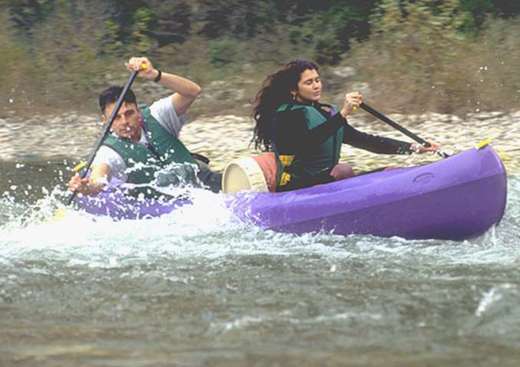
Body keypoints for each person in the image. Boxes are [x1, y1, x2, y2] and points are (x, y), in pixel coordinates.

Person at [252, 59, 439, 192]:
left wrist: (414, 148)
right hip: (296, 185)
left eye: (317, 80)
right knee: (344, 170)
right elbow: (306, 143)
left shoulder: (325, 113)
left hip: (324, 180)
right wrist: (343, 114)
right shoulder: (286, 114)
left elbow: (366, 141)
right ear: (294, 89)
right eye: (309, 82)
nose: (316, 86)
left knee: (387, 171)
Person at [68, 56, 222, 197]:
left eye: (129, 113)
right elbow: (98, 181)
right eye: (116, 118)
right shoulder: (108, 152)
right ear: (105, 121)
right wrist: (86, 188)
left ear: (138, 112)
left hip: (200, 181)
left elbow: (192, 91)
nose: (124, 122)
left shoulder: (157, 115)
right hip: (167, 204)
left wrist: (154, 74)